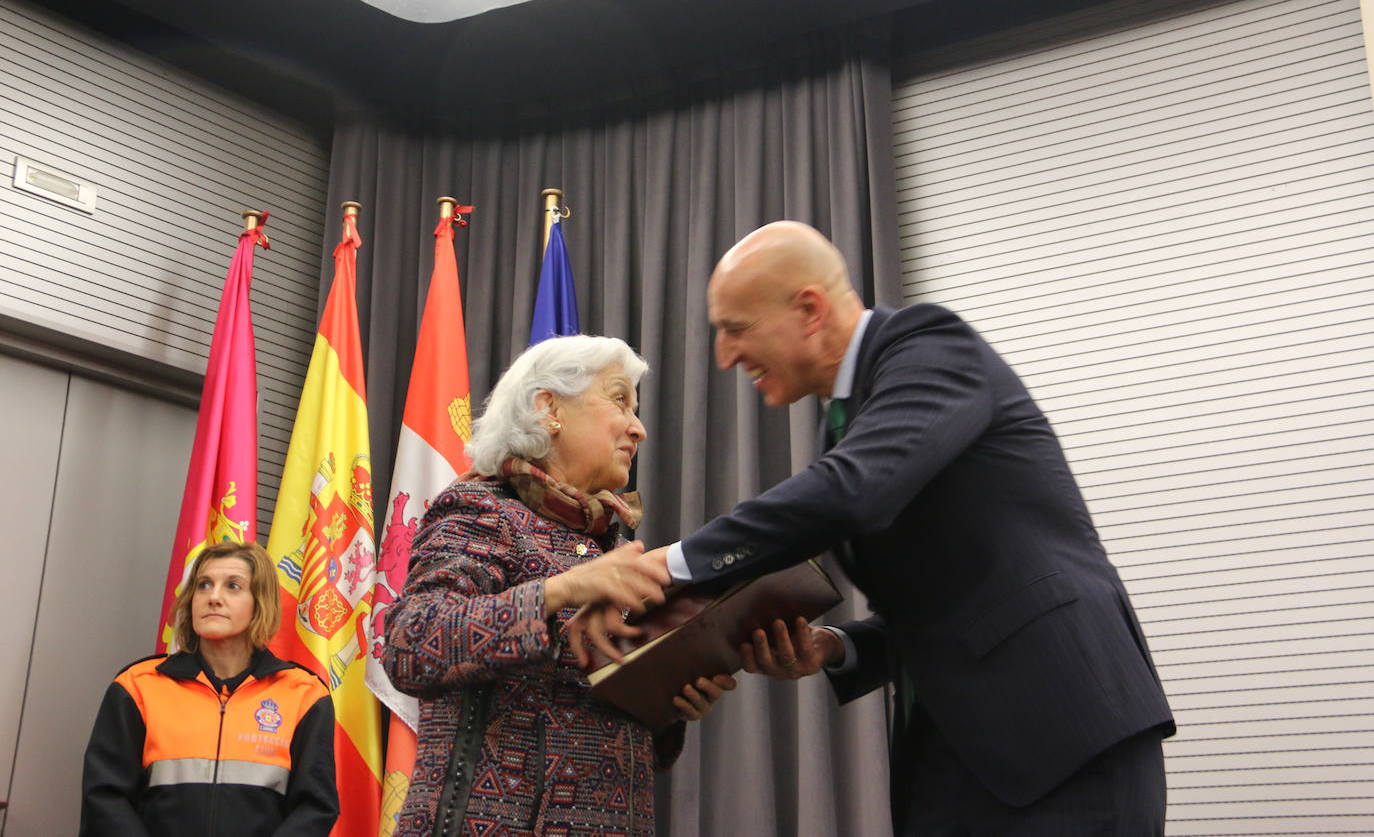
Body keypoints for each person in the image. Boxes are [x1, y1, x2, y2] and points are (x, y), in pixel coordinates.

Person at [569, 221, 1176, 834]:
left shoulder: (931, 345)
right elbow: (945, 598)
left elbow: (850, 491)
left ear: (809, 309)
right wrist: (835, 647)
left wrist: (660, 566)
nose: (725, 356)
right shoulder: (846, 422)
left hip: (1062, 731)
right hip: (960, 760)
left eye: (736, 329)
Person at [382, 334, 735, 837]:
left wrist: (668, 700)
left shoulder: (606, 548)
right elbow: (409, 642)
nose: (639, 429)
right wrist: (560, 591)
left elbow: (599, 720)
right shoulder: (482, 509)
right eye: (619, 400)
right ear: (550, 408)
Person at [80, 541, 338, 836]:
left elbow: (315, 807)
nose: (213, 597)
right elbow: (105, 798)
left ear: (260, 602)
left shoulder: (303, 694)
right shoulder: (137, 686)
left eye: (233, 586)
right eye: (204, 585)